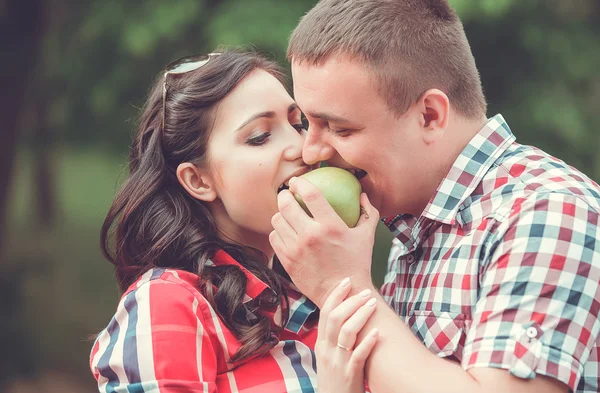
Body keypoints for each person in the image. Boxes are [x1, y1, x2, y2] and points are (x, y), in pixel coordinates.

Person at [270, 1, 600, 393]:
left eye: (339, 129)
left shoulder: (547, 210)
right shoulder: (415, 225)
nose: (310, 152)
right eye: (309, 123)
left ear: (429, 115)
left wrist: (341, 286)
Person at [89, 49, 379, 393]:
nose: (302, 147)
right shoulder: (170, 305)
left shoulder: (316, 300)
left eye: (298, 123)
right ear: (198, 180)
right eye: (259, 136)